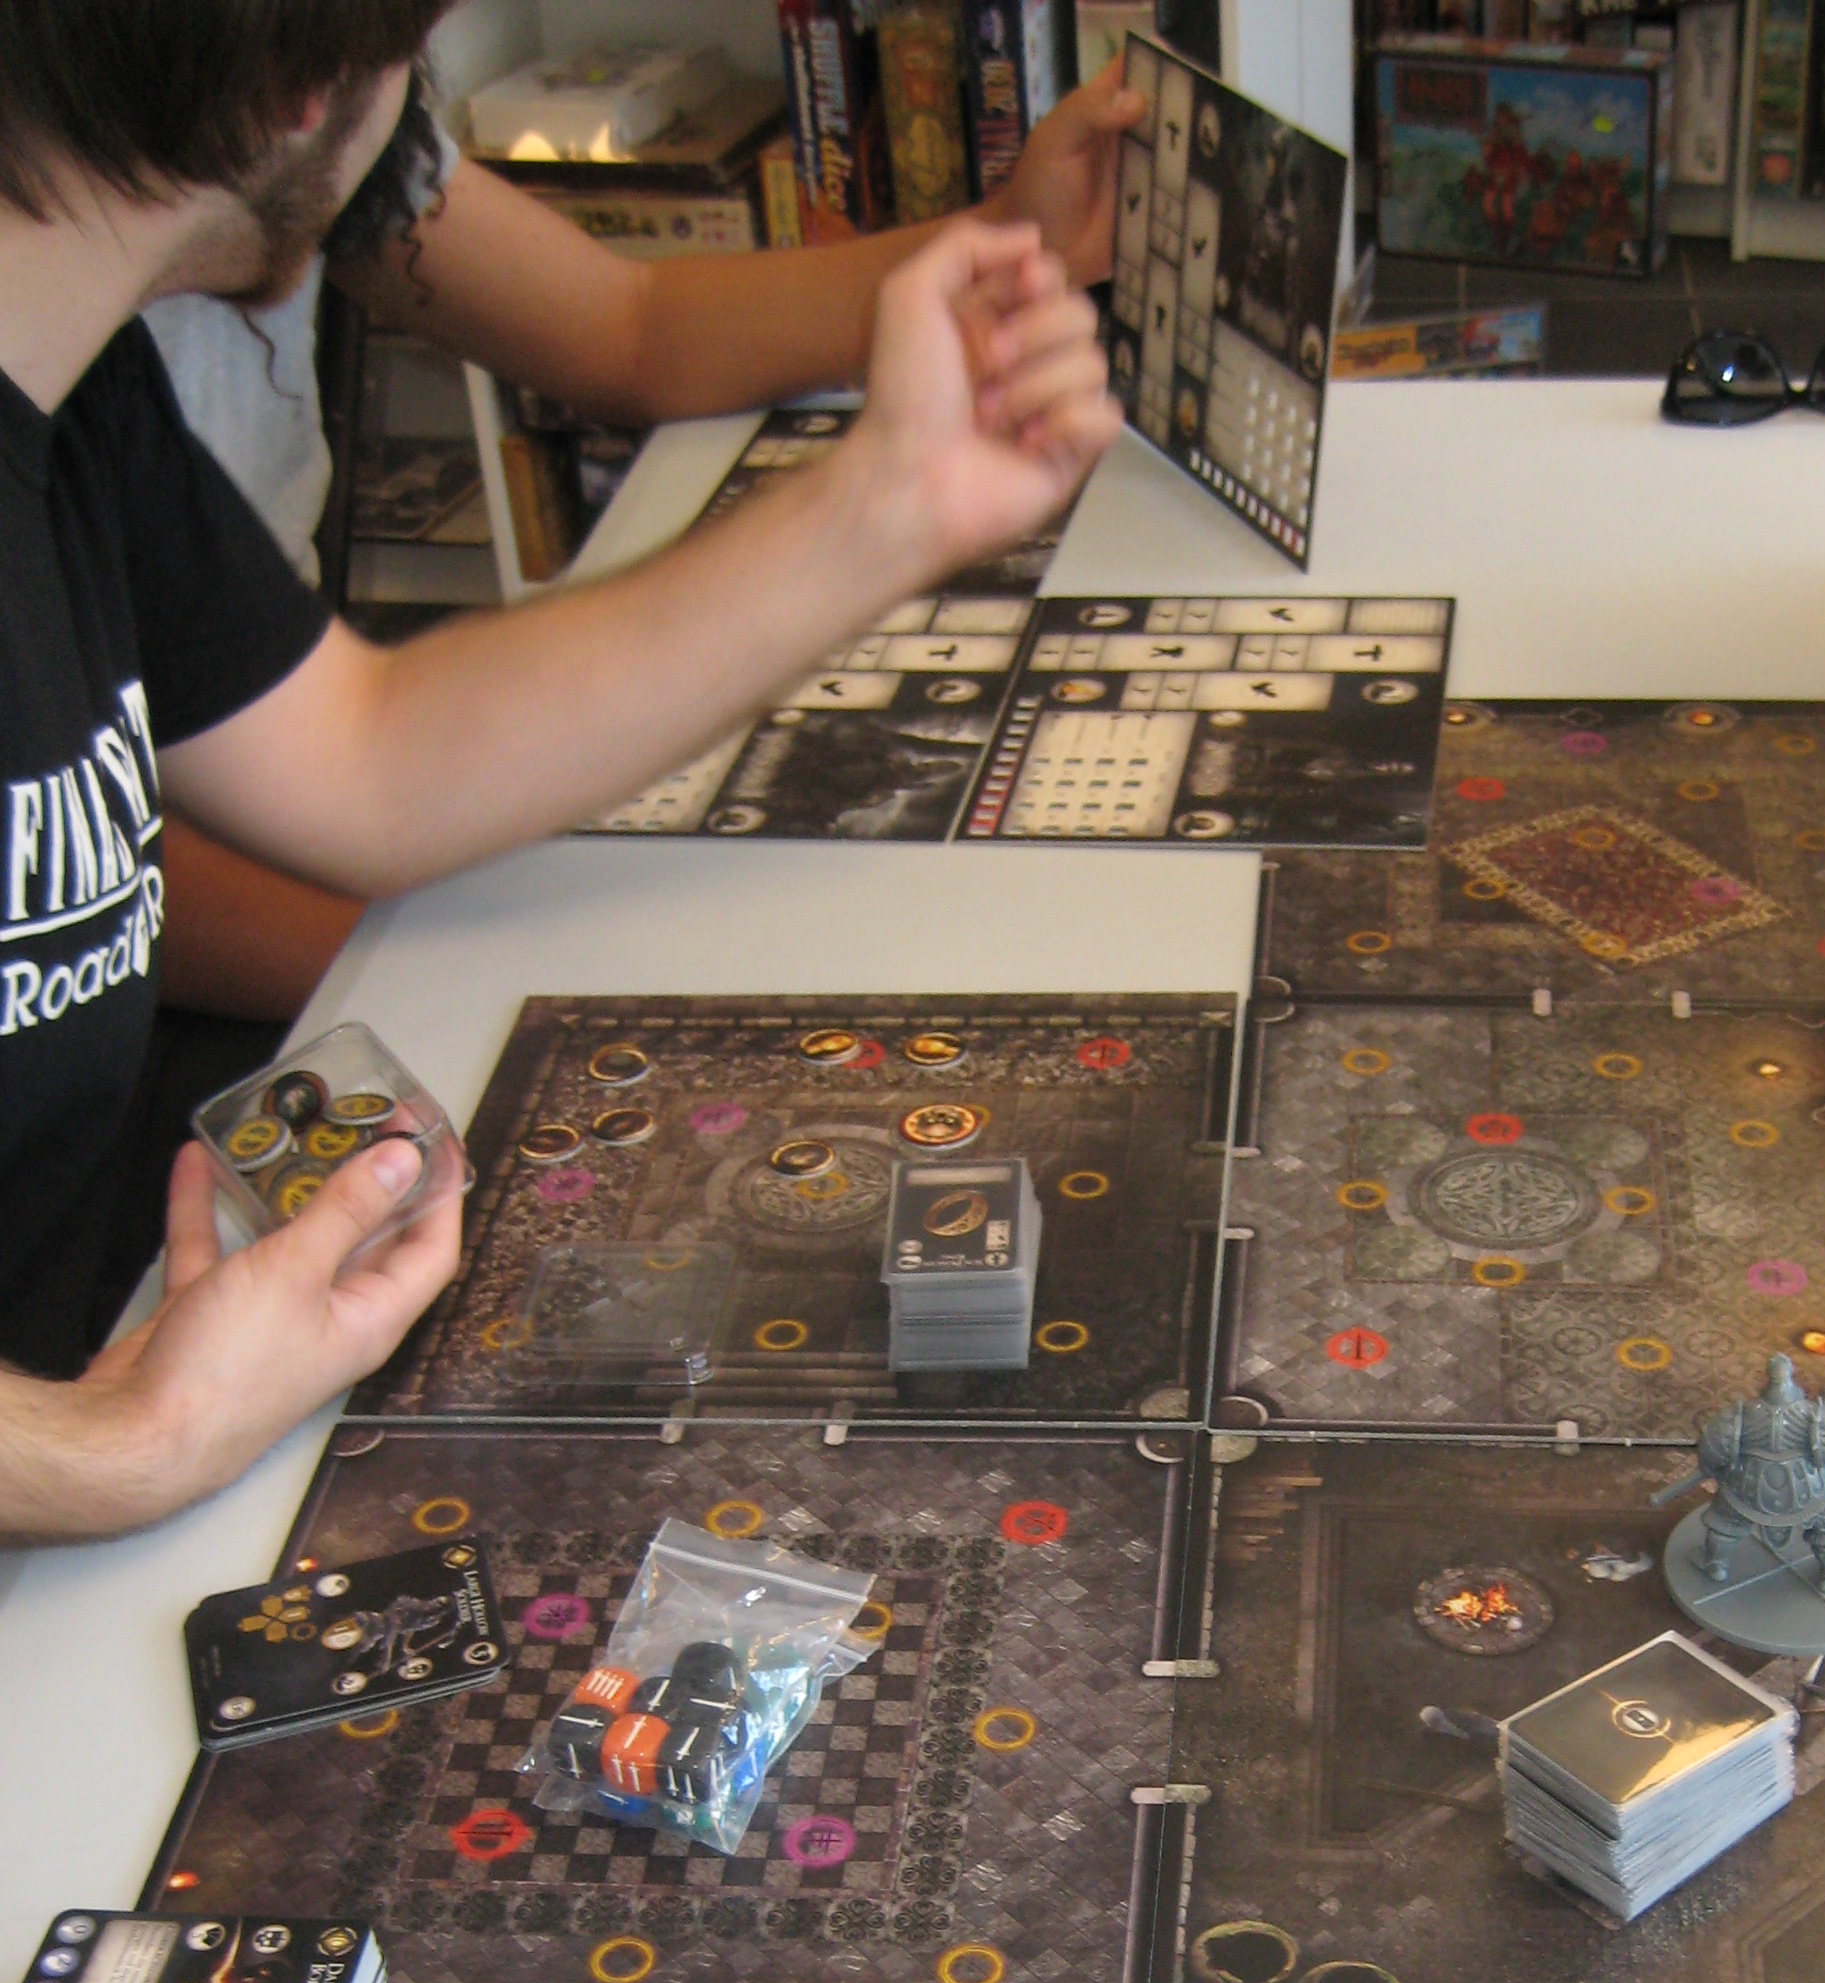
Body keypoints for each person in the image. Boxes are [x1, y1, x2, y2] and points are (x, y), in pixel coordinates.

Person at [0, 0, 1120, 1540]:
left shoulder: (78, 394)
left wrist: (892, 506)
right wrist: (107, 1446)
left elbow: (370, 760)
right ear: (297, 87)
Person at [145, 59, 1145, 1050]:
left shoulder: (286, 136)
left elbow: (627, 326)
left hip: (281, 768)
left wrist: (1013, 235)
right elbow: (132, 881)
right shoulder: (98, 343)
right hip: (197, 955)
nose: (382, 84)